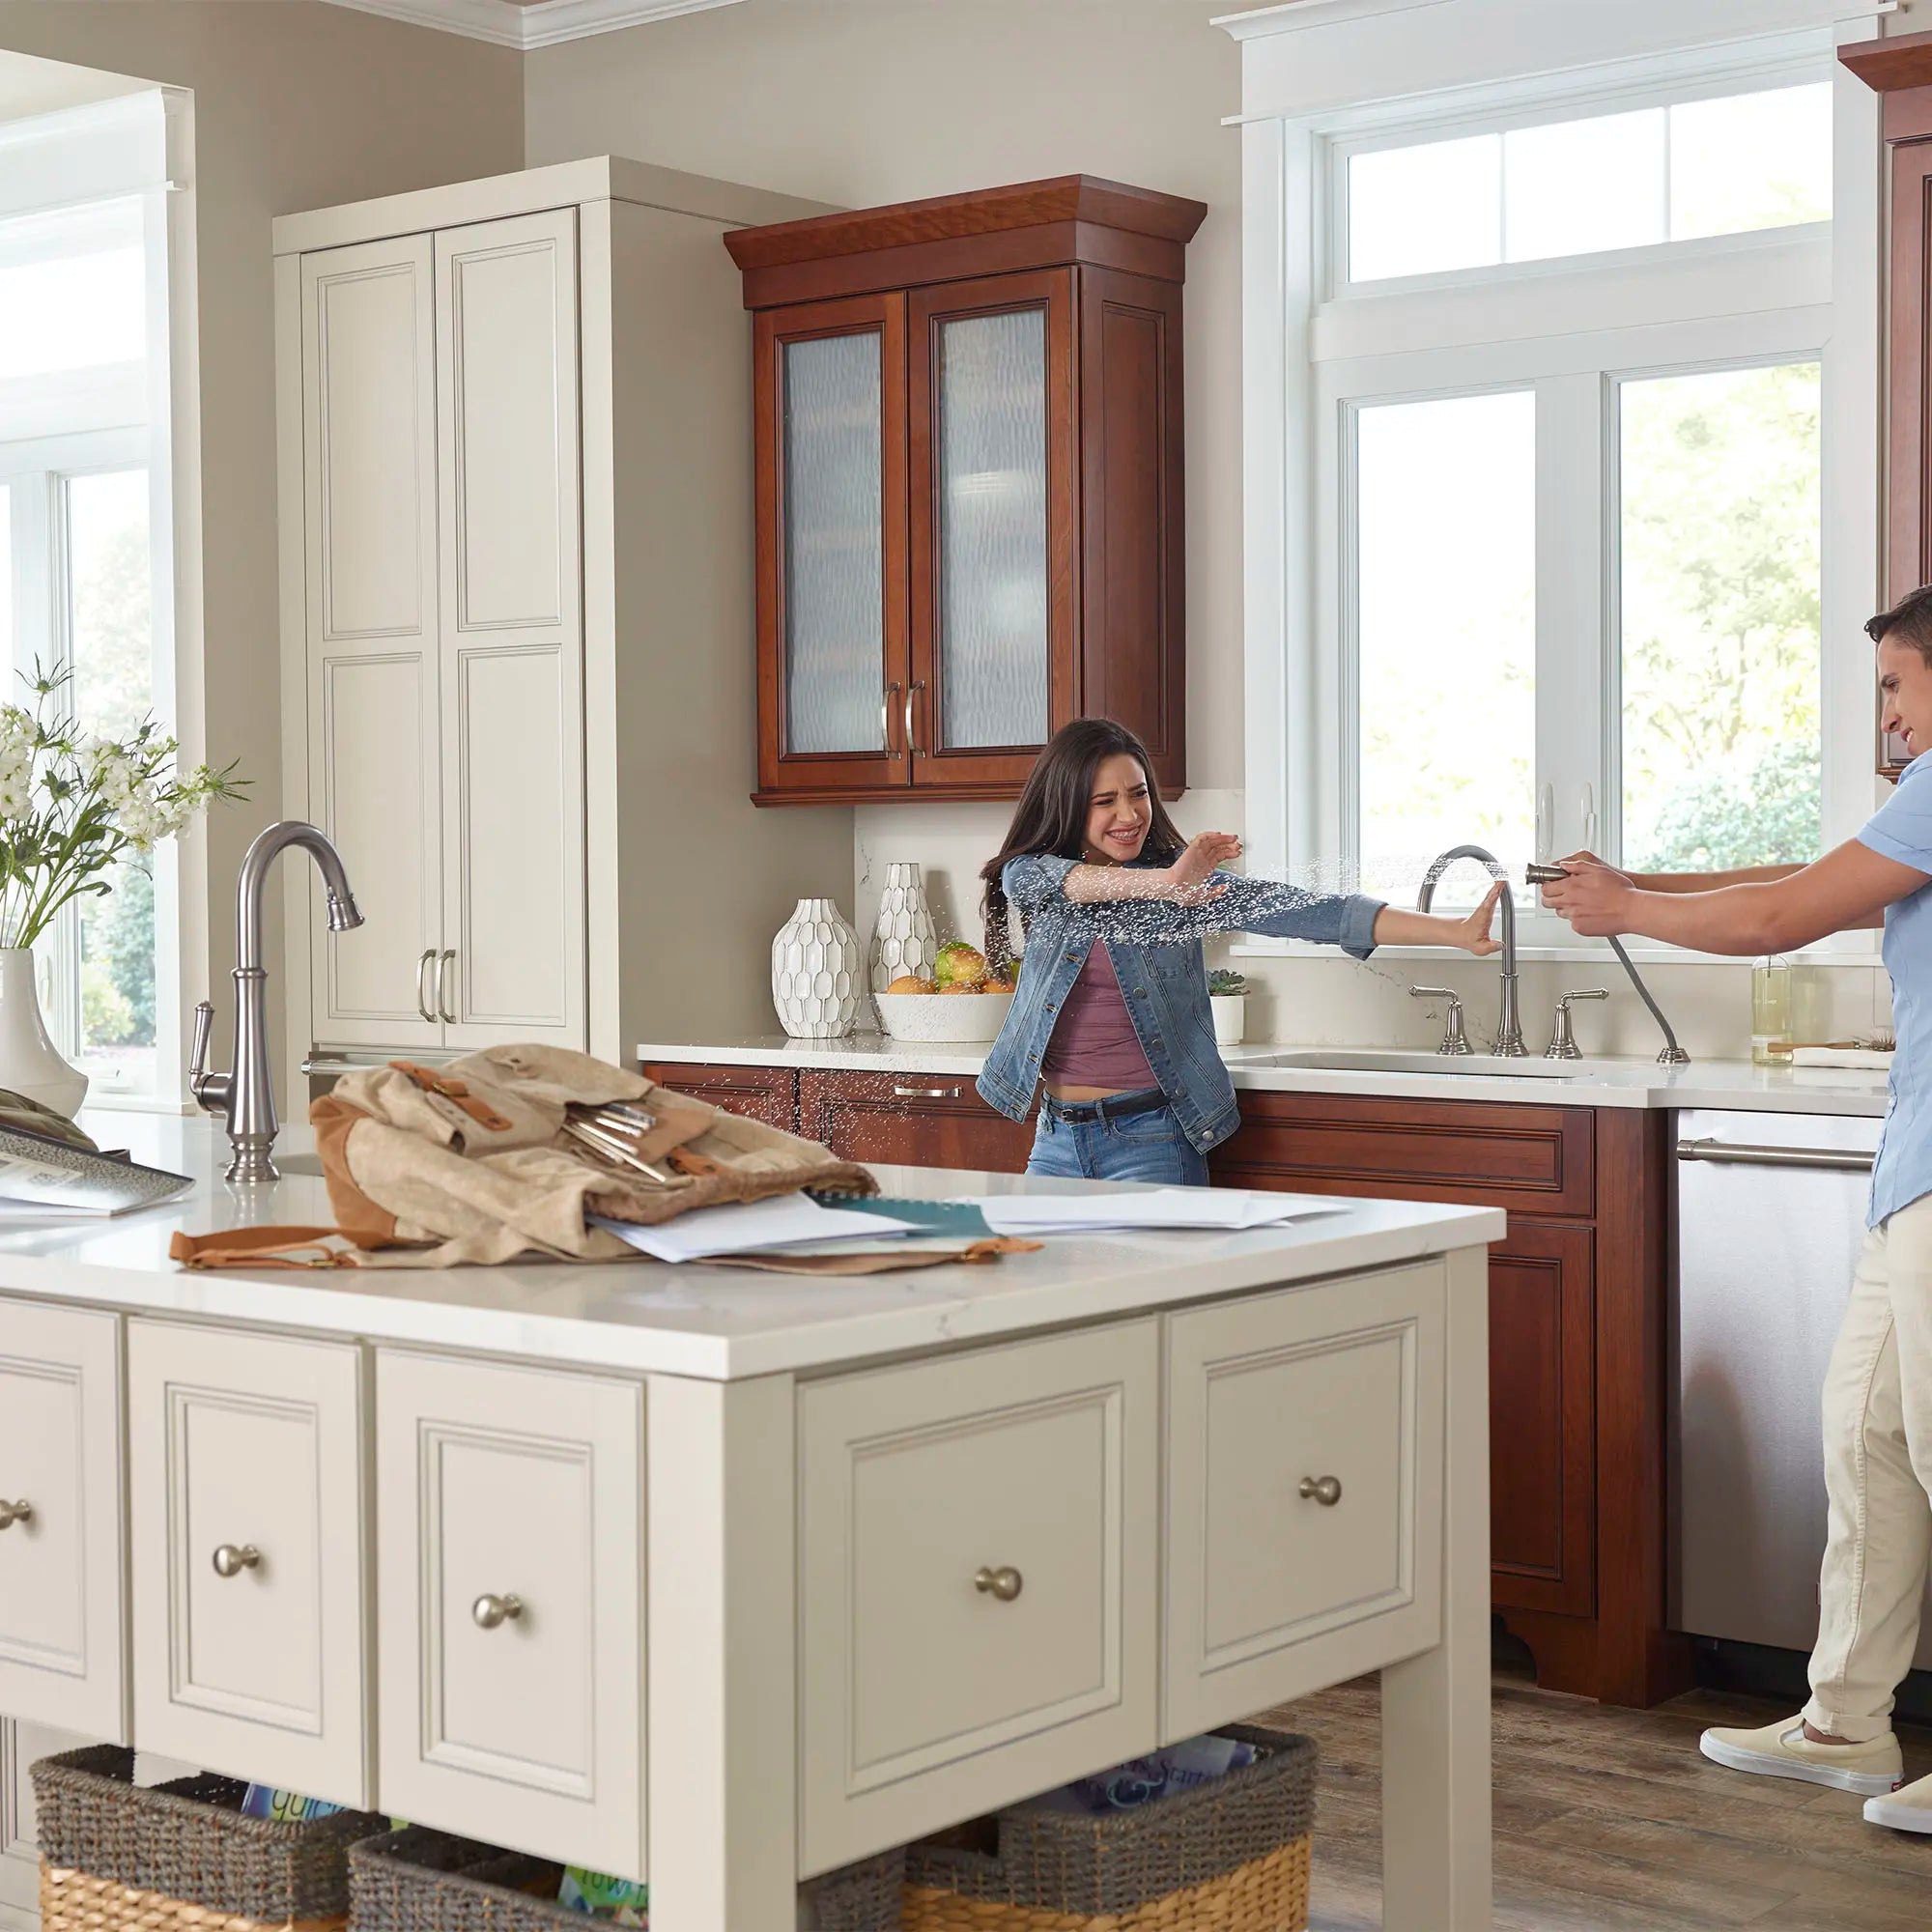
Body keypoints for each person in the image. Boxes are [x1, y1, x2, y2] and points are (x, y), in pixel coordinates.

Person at [1541, 583, 1932, 1833]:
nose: (1887, 715)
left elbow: (1776, 918)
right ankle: (1844, 1721)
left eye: (1895, 684)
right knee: (1864, 1437)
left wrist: (1627, 913)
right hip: (1913, 1173)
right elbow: (1809, 878)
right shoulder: (1919, 804)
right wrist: (1636, 882)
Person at [975, 717, 1505, 1184]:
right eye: (1104, 801)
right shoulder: (1042, 877)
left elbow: (1316, 911)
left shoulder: (1194, 892)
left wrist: (1454, 932)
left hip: (1152, 1139)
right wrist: (1167, 883)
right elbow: (1031, 878)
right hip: (1056, 1139)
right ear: (1068, 805)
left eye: (1138, 794)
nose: (1129, 813)